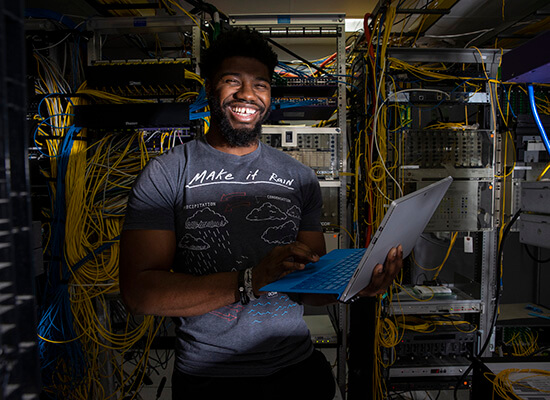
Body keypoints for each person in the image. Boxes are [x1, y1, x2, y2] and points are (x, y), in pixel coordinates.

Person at [119, 28, 403, 400]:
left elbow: (309, 288)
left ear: (270, 96)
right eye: (232, 81)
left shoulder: (299, 177)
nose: (248, 95)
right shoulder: (167, 173)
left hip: (297, 371)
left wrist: (355, 287)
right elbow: (140, 293)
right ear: (209, 89)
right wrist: (249, 280)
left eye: (261, 85)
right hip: (212, 378)